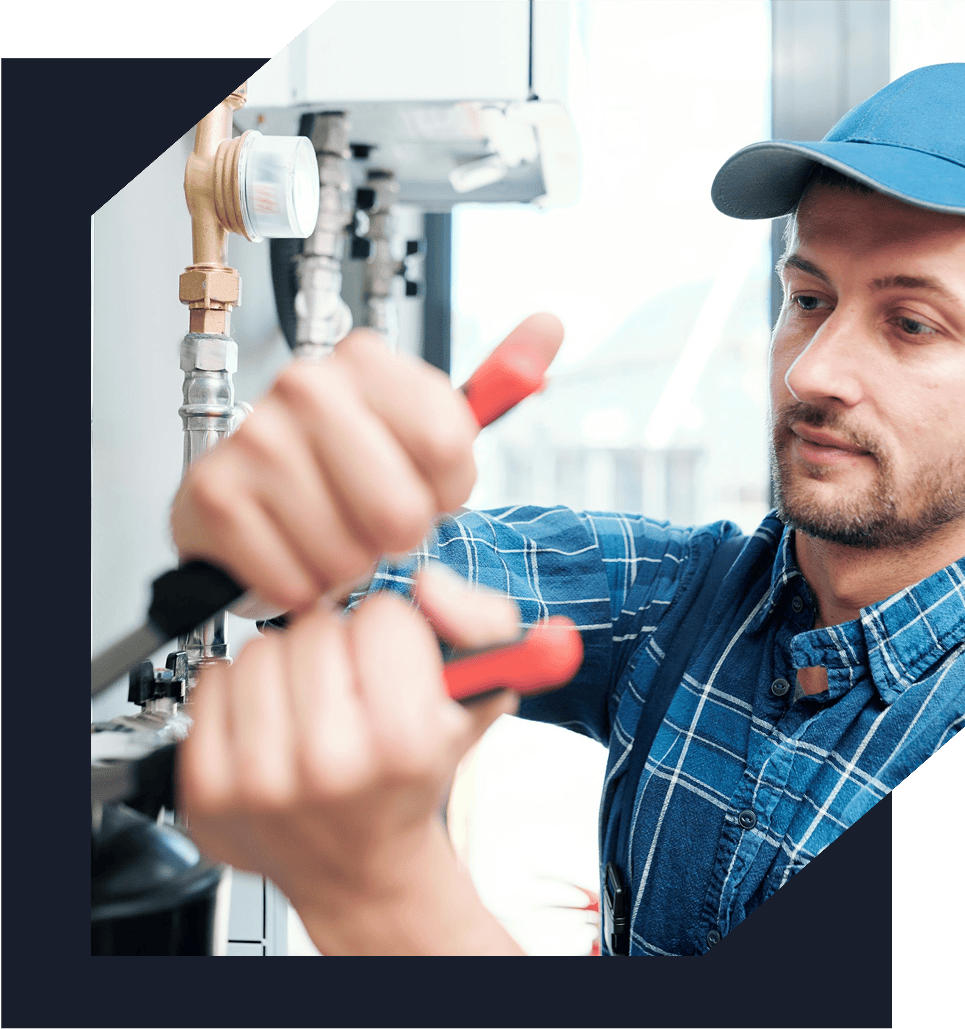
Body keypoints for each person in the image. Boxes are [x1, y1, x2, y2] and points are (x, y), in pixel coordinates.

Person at [172, 63, 965, 956]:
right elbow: (370, 567)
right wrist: (272, 521)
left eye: (912, 323)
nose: (809, 371)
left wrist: (384, 893)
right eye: (808, 299)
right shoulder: (693, 598)